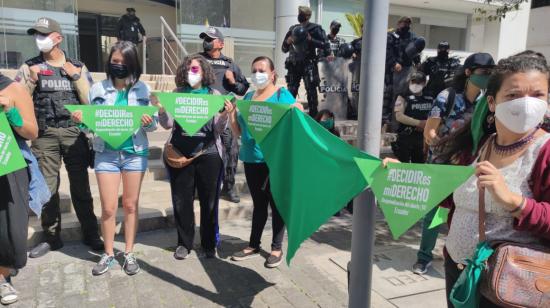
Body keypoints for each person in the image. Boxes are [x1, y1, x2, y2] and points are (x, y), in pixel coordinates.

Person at [441, 54, 550, 307]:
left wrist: (513, 201)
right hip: (461, 274)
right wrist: (401, 175)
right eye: (513, 95)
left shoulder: (544, 151)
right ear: (492, 102)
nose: (526, 104)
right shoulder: (481, 145)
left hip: (509, 286)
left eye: (537, 95)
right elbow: (451, 195)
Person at [15, 17, 102, 258]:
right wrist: (31, 81)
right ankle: (52, 238)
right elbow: (18, 101)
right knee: (47, 189)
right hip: (44, 135)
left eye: (44, 34)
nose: (39, 39)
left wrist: (75, 77)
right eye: (37, 34)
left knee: (81, 187)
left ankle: (91, 232)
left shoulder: (77, 66)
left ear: (58, 38)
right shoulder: (29, 67)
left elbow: (91, 102)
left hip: (74, 134)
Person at [72, 41, 156, 276]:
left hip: (134, 153)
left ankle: (128, 252)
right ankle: (108, 253)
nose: (118, 65)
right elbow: (91, 125)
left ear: (133, 64)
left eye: (123, 62)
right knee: (108, 208)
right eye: (114, 61)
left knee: (130, 205)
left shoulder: (143, 90)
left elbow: (153, 124)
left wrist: (150, 122)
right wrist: (81, 120)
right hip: (106, 154)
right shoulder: (97, 89)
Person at [410, 52, 495, 275]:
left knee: (464, 213)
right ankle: (423, 257)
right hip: (441, 167)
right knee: (435, 214)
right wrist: (449, 151)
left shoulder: (485, 101)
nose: (487, 77)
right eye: (484, 73)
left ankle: (459, 256)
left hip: (467, 168)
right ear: (468, 72)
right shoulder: (447, 96)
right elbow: (430, 133)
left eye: (490, 73)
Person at [152, 54, 230, 260]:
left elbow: (219, 129)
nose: (190, 73)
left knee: (209, 202)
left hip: (209, 153)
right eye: (187, 69)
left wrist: (224, 116)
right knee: (181, 200)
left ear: (204, 72)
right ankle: (184, 243)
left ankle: (209, 244)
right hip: (180, 153)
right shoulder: (176, 94)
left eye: (195, 69)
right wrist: (161, 109)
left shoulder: (214, 95)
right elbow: (167, 124)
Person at [229, 56, 302, 267]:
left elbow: (296, 117)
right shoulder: (249, 96)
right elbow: (239, 133)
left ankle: (276, 248)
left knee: (277, 203)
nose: (257, 74)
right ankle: (253, 245)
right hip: (252, 158)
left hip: (275, 159)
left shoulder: (281, 95)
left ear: (272, 74)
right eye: (254, 70)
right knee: (259, 204)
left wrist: (298, 109)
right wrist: (233, 115)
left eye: (262, 70)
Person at [199, 26, 249, 204]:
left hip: (225, 113)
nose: (206, 41)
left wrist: (233, 81)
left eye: (210, 38)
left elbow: (243, 89)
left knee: (231, 149)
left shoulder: (230, 63)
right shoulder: (196, 60)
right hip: (202, 113)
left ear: (220, 43)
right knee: (202, 150)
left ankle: (228, 186)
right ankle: (202, 186)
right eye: (205, 38)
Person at [0, 75, 38, 305]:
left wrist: (11, 115)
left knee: (9, 229)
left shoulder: (13, 89)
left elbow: (33, 131)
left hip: (8, 164)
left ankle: (3, 276)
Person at [282, 5, 330, 117]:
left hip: (308, 64)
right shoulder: (292, 29)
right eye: (299, 13)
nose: (300, 15)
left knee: (312, 93)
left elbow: (325, 46)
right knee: (291, 91)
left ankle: (314, 118)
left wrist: (311, 40)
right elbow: (283, 49)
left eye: (302, 14)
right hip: (294, 64)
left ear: (308, 16)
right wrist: (287, 42)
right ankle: (287, 116)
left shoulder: (315, 28)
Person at [384, 16, 421, 128]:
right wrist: (394, 63)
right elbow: (387, 51)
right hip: (394, 71)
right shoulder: (391, 36)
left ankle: (404, 125)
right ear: (398, 23)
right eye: (404, 22)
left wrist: (417, 62)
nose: (406, 25)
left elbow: (415, 50)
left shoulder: (412, 36)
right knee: (394, 98)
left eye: (408, 23)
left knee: (407, 97)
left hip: (408, 70)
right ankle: (393, 127)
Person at [391, 71, 433, 163]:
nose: (415, 85)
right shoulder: (403, 96)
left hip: (422, 139)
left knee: (419, 167)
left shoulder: (430, 97)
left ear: (424, 83)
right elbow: (399, 116)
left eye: (418, 83)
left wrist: (426, 125)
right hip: (406, 137)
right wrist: (419, 123)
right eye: (413, 82)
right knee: (403, 166)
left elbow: (435, 116)